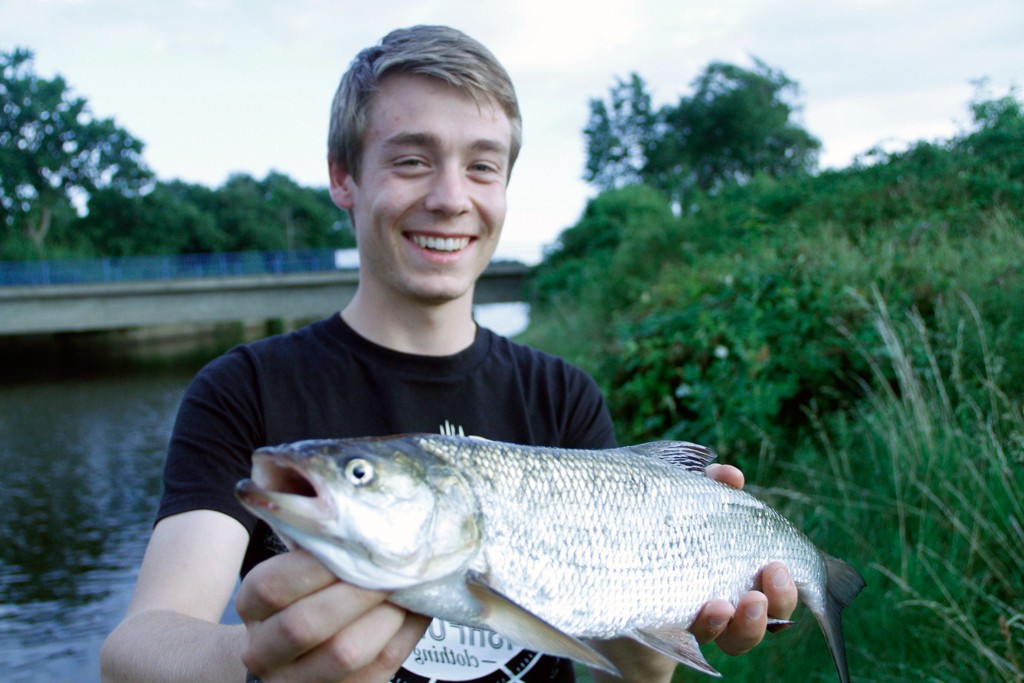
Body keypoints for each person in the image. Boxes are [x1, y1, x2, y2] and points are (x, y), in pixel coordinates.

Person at [100, 25, 797, 683]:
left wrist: (661, 643)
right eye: (411, 160)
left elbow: (625, 665)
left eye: (482, 166)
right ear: (344, 176)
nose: (450, 198)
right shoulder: (243, 387)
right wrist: (257, 658)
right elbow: (134, 648)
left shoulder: (564, 395)